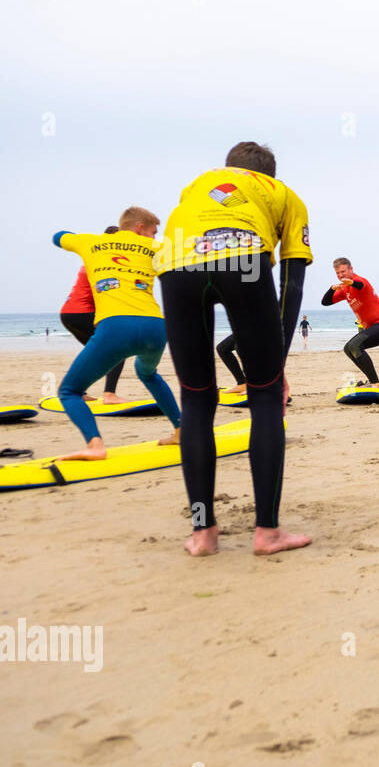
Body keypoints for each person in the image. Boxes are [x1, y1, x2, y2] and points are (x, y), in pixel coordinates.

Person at [154, 140, 312, 556]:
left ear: (229, 167)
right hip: (243, 258)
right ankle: (267, 533)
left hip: (176, 264)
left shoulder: (197, 185)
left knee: (196, 401)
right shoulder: (284, 195)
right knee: (264, 396)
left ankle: (203, 534)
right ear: (268, 175)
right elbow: (292, 283)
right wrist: (276, 361)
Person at [51, 208, 182, 460]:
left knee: (69, 391)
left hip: (116, 327)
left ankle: (95, 445)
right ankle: (181, 430)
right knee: (148, 373)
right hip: (155, 327)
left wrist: (72, 238)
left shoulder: (91, 242)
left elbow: (58, 236)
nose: (155, 237)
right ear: (139, 227)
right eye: (153, 232)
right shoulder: (159, 248)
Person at [59, 225, 129, 404]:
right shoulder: (106, 262)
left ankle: (77, 390)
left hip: (68, 312)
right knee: (117, 350)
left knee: (94, 353)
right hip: (81, 312)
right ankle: (109, 394)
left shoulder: (95, 258)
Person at [323, 258, 379, 387]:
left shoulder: (360, 281)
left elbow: (360, 285)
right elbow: (325, 302)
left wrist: (351, 282)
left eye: (343, 271)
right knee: (348, 348)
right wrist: (331, 289)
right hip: (376, 327)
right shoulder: (344, 290)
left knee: (355, 345)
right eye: (338, 273)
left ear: (351, 269)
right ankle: (373, 381)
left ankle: (375, 383)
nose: (341, 275)